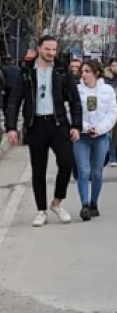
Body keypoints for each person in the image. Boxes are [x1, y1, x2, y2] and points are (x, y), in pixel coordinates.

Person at [5, 36, 83, 227]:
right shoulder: (26, 72)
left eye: (54, 49)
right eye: (47, 49)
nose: (51, 53)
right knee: (38, 169)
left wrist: (76, 125)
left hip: (58, 124)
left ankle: (57, 202)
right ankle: (41, 211)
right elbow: (14, 100)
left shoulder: (62, 70)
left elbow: (75, 100)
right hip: (36, 124)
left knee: (67, 163)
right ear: (40, 48)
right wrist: (11, 127)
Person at [74, 60, 117, 221]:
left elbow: (112, 113)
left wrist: (99, 129)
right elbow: (71, 111)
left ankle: (94, 203)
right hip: (81, 136)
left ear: (96, 73)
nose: (84, 75)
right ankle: (84, 204)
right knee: (84, 171)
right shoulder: (77, 90)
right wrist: (85, 127)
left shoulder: (107, 91)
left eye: (87, 71)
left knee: (97, 172)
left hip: (101, 136)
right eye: (82, 71)